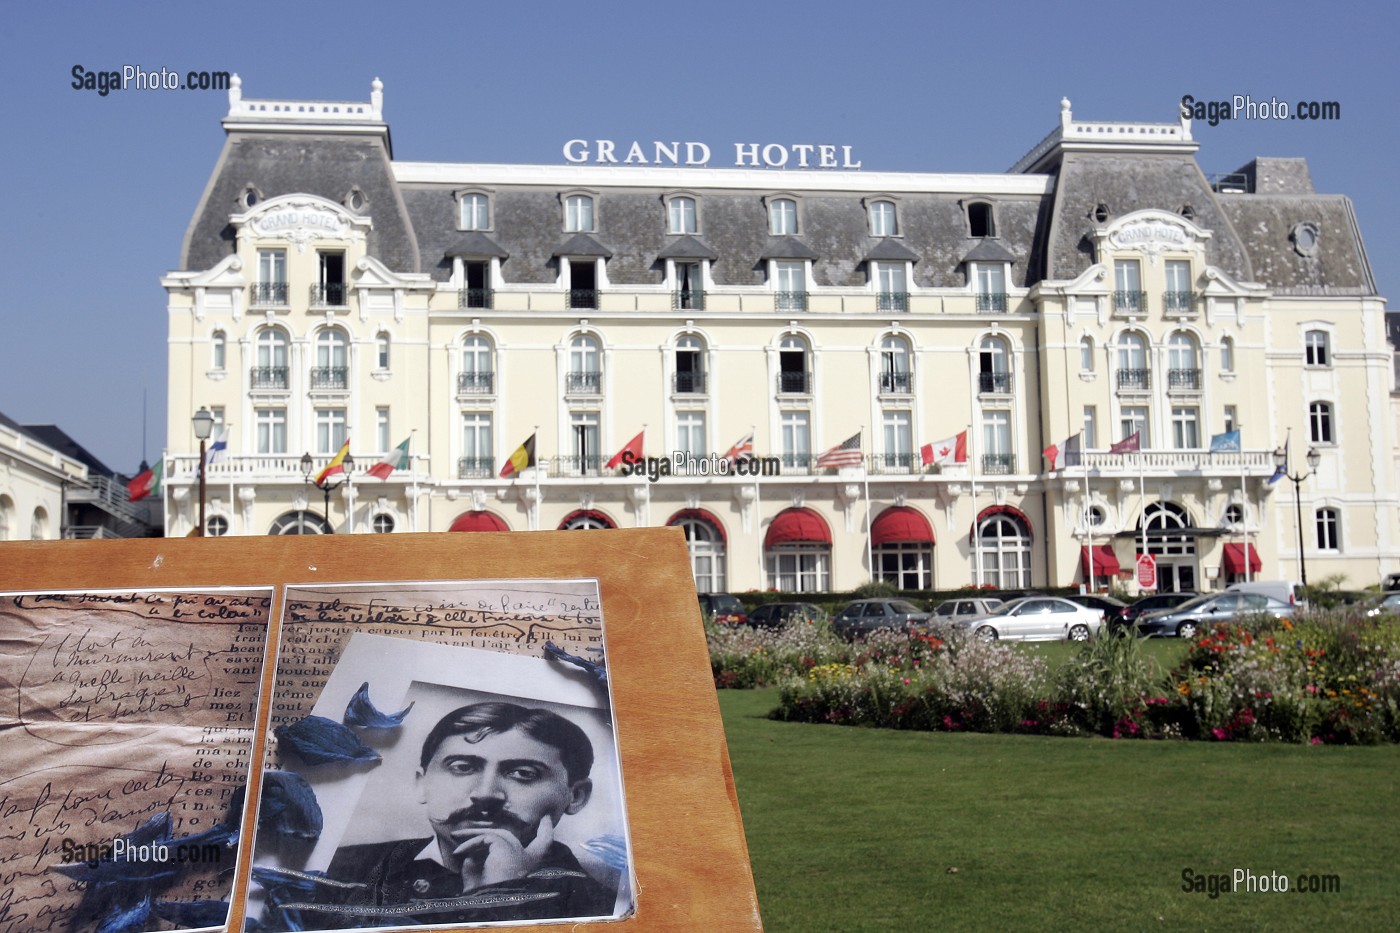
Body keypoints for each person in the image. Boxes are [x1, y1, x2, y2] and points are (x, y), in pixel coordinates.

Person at [321, 701, 619, 925]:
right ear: (422, 784)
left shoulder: (602, 909)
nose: (486, 793)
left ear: (575, 796)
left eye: (523, 773)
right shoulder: (336, 871)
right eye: (462, 768)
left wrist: (504, 893)